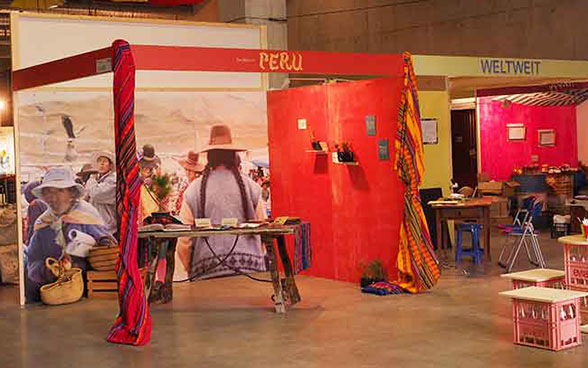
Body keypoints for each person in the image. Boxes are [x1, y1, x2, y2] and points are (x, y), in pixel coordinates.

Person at [177, 125, 267, 279]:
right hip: (251, 272)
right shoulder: (251, 187)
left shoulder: (194, 190)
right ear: (233, 155)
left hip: (206, 272)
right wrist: (258, 255)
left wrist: (190, 267)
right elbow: (263, 226)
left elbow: (184, 240)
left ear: (210, 156)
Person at [25, 166, 112, 302]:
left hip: (88, 294)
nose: (53, 198)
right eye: (48, 192)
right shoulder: (43, 223)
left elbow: (107, 252)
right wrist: (46, 272)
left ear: (71, 193)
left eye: (59, 191)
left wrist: (102, 246)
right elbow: (32, 259)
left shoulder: (87, 215)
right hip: (54, 293)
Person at [85, 151, 117, 236]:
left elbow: (96, 194)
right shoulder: (98, 180)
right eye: (99, 161)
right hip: (97, 225)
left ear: (110, 165)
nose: (101, 164)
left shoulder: (112, 180)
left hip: (107, 227)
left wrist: (91, 179)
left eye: (105, 161)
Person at [174, 150, 205, 215]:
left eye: (190, 171)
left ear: (196, 172)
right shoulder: (185, 183)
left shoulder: (198, 186)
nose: (187, 173)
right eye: (186, 170)